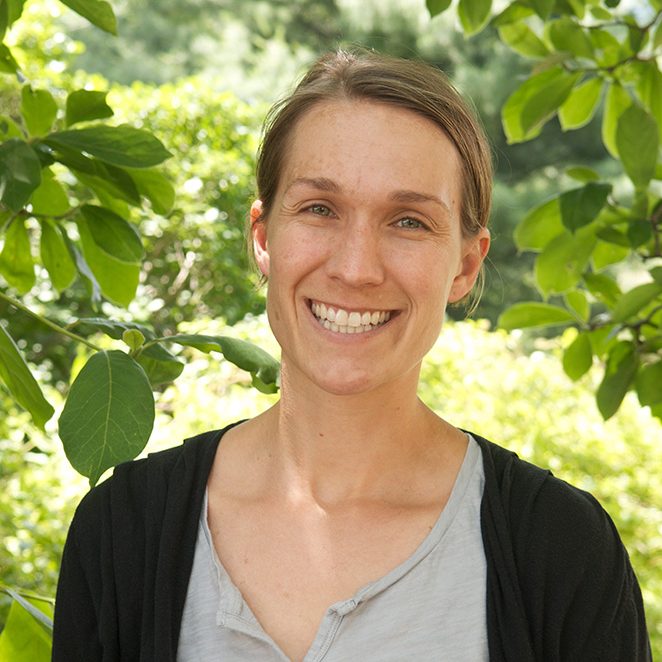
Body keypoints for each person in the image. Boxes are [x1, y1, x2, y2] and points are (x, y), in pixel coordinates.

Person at [52, 49, 651, 661]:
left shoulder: (562, 547)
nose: (356, 268)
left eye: (410, 222)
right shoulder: (122, 532)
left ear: (465, 266)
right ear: (263, 238)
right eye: (319, 209)